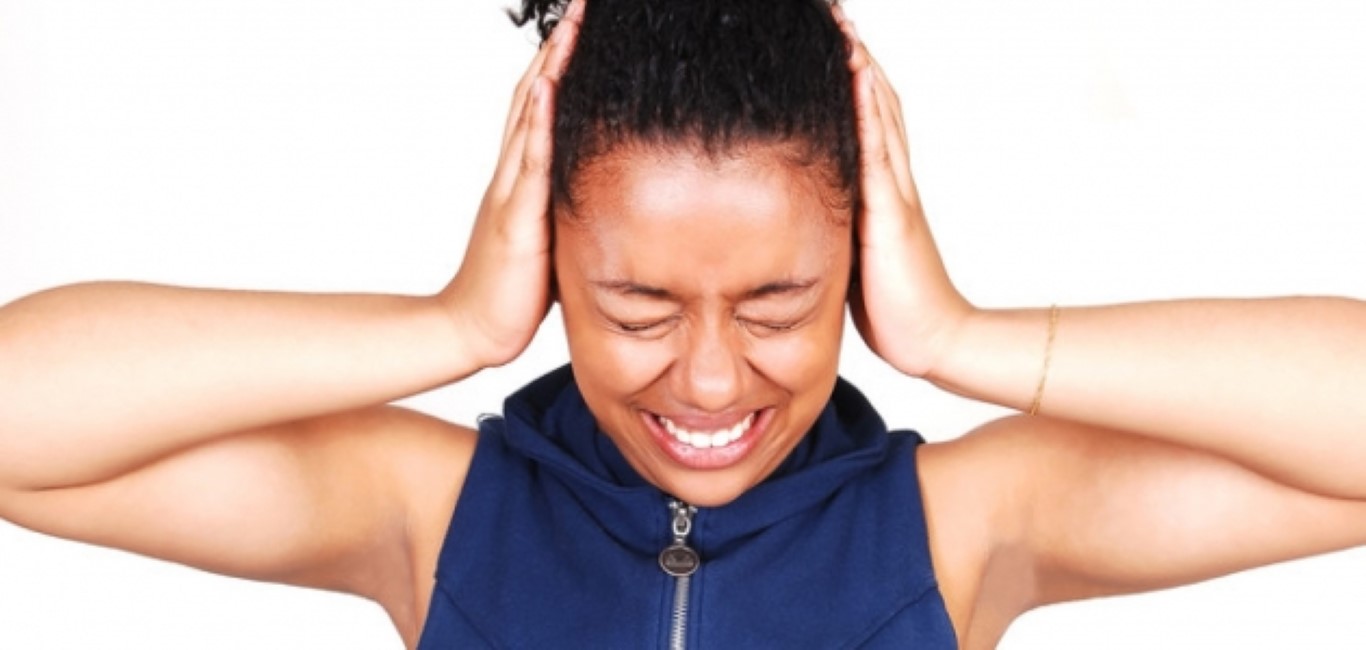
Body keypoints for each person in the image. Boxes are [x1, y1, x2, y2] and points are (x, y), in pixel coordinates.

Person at [1, 0, 1363, 648]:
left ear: (859, 267)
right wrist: (453, 324)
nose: (710, 379)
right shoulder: (437, 512)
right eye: (636, 305)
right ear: (546, 264)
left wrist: (961, 338)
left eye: (779, 303)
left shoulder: (957, 526)